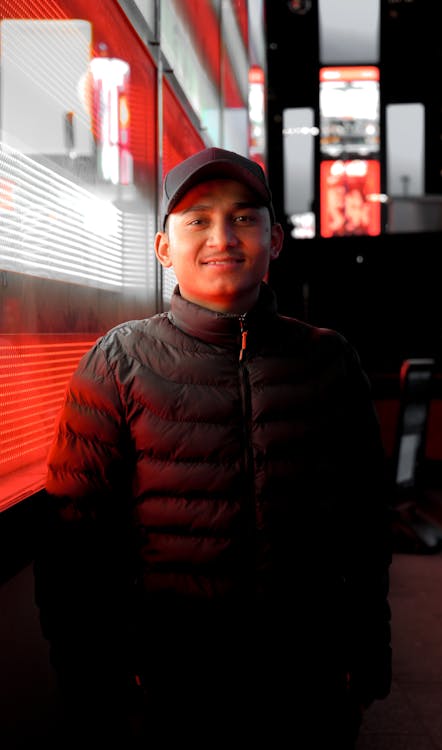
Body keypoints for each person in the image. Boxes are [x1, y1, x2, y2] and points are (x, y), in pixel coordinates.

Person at [34, 147, 392, 748]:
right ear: (164, 248)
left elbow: (364, 524)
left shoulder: (328, 360)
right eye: (197, 220)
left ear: (274, 239)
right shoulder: (120, 361)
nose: (222, 236)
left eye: (244, 218)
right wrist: (93, 678)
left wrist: (368, 651)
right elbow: (74, 542)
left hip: (308, 682)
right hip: (171, 684)